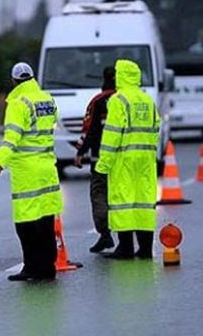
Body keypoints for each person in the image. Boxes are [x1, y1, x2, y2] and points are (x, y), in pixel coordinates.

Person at [0, 62, 63, 281]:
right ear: (32, 77)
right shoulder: (47, 99)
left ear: (14, 81)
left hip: (27, 171)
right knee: (46, 220)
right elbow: (50, 128)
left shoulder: (18, 103)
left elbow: (12, 138)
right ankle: (48, 268)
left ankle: (31, 268)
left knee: (26, 223)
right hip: (47, 167)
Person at [95, 59, 160, 259]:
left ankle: (125, 247)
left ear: (121, 76)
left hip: (124, 159)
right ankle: (146, 248)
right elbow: (156, 127)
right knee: (143, 202)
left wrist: (103, 164)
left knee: (123, 201)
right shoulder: (147, 100)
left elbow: (112, 135)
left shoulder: (118, 100)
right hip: (146, 159)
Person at [74, 66, 116, 253]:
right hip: (123, 159)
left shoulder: (97, 102)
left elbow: (88, 130)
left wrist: (80, 152)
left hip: (100, 158)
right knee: (121, 196)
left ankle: (105, 234)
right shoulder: (126, 100)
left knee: (99, 195)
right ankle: (127, 238)